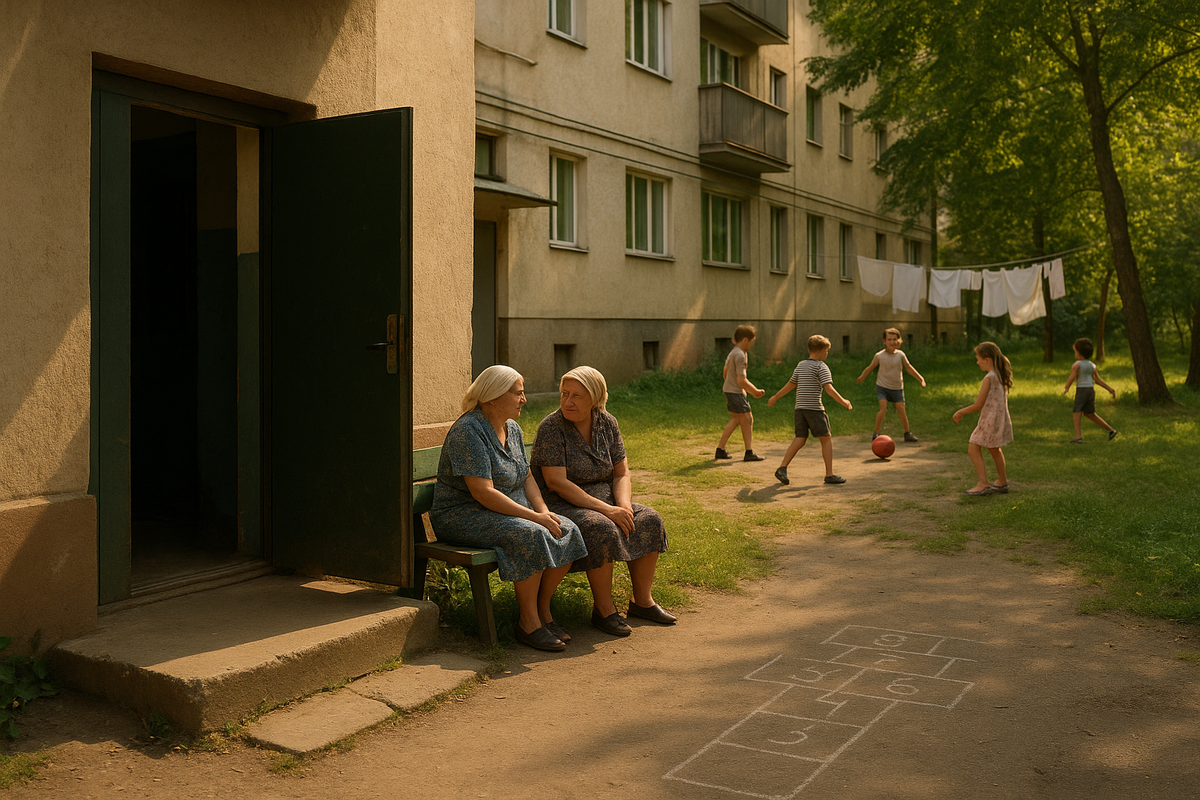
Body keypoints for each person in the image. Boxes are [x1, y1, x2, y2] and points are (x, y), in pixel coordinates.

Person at [430, 365, 587, 652]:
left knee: (568, 529)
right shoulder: (468, 431)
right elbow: (483, 493)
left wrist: (543, 511)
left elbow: (526, 476)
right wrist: (534, 517)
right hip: (463, 515)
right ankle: (528, 623)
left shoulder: (511, 427)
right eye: (518, 393)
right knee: (531, 534)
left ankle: (543, 612)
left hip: (504, 511)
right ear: (492, 398)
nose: (523, 399)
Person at [531, 366, 674, 637]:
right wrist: (607, 510)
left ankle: (642, 602)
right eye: (564, 394)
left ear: (595, 398)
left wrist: (623, 506)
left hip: (605, 498)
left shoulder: (607, 422)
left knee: (649, 519)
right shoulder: (552, 427)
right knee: (601, 527)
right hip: (562, 502)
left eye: (576, 396)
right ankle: (604, 610)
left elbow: (621, 472)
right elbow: (556, 482)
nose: (568, 401)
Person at [767, 334, 853, 486]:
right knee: (826, 439)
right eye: (827, 350)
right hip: (815, 410)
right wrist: (844, 401)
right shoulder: (821, 366)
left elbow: (791, 384)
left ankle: (782, 468)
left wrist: (775, 397)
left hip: (800, 409)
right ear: (821, 350)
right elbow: (829, 389)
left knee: (800, 438)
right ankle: (829, 474)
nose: (827, 354)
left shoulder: (801, 365)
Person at [952, 342, 1014, 496]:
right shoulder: (1000, 374)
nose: (977, 362)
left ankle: (983, 484)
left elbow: (978, 405)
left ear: (987, 359)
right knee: (994, 448)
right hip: (1000, 419)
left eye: (978, 359)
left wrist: (960, 412)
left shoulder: (989, 378)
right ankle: (1002, 481)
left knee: (973, 448)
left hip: (989, 420)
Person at [856, 327, 926, 442]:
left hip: (897, 387)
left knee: (901, 410)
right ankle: (876, 433)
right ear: (884, 341)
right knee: (883, 408)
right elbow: (871, 367)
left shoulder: (901, 355)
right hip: (882, 387)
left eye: (895, 339)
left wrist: (921, 379)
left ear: (899, 341)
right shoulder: (879, 356)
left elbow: (909, 368)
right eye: (889, 339)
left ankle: (907, 433)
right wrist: (862, 376)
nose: (892, 342)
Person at [716, 324, 767, 462]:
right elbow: (741, 380)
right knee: (748, 419)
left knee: (737, 419)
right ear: (745, 340)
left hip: (729, 390)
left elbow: (725, 371)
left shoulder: (734, 352)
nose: (751, 345)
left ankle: (720, 450)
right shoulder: (740, 355)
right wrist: (755, 391)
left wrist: (729, 384)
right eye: (752, 342)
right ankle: (749, 452)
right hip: (735, 392)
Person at [1063, 337, 1117, 443]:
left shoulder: (1077, 365)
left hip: (1082, 390)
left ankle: (1078, 437)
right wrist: (1109, 389)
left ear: (1079, 352)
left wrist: (1067, 387)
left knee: (1077, 411)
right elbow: (1097, 379)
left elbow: (1072, 377)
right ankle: (1110, 430)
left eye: (1075, 351)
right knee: (1089, 413)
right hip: (1090, 390)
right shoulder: (1092, 365)